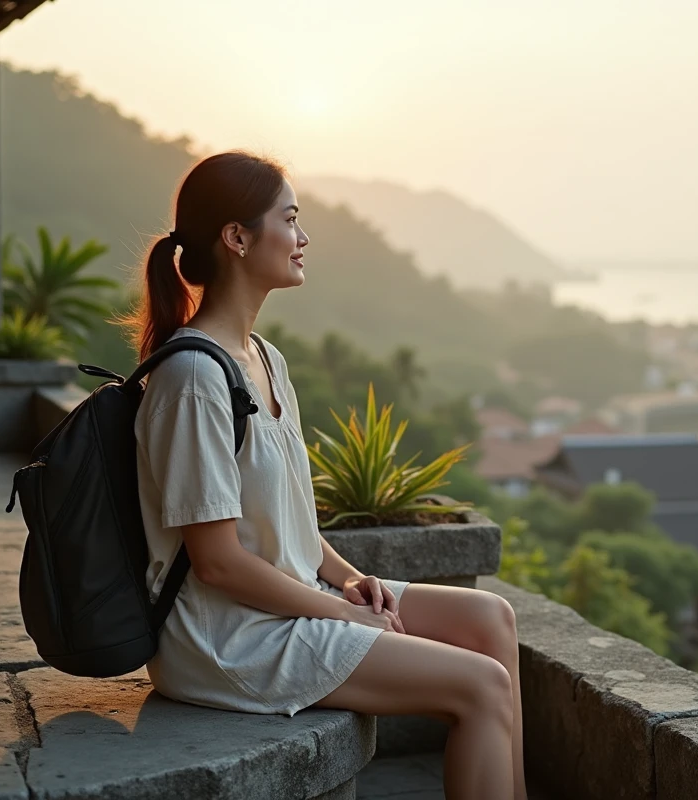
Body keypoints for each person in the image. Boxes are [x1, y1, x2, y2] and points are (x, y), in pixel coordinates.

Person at [118, 151, 526, 800]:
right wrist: (340, 613)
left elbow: (289, 523)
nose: (303, 239)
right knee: (482, 686)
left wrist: (350, 579)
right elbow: (218, 562)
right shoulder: (192, 378)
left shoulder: (266, 359)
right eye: (291, 219)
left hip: (286, 600)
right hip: (226, 636)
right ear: (237, 238)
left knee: (492, 620)